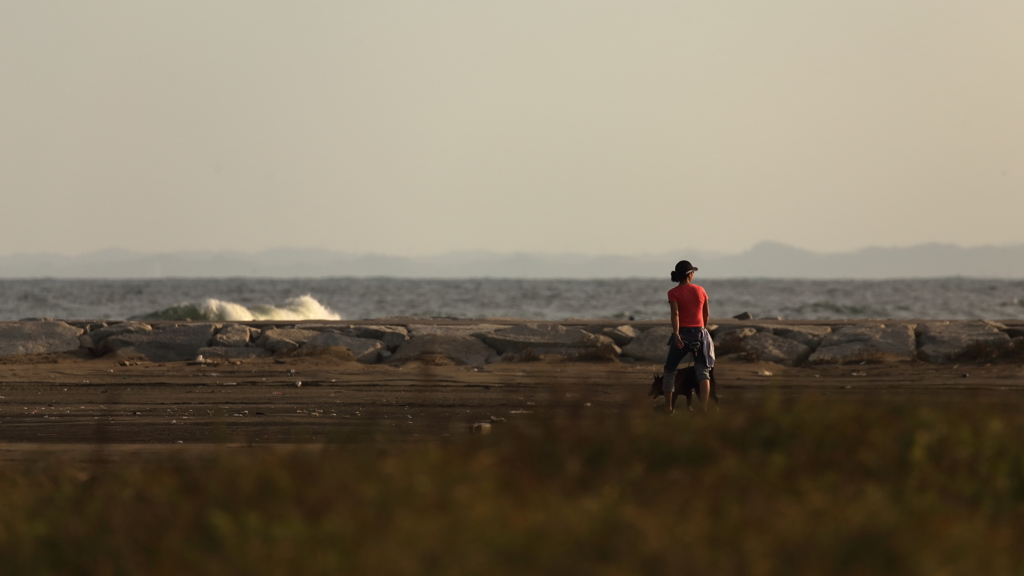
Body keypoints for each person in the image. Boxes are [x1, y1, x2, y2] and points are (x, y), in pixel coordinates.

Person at [662, 260, 714, 413]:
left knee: (670, 370)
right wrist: (702, 329)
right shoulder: (701, 290)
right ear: (690, 274)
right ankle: (703, 408)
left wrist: (676, 334)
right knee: (703, 372)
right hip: (698, 334)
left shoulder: (673, 292)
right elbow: (706, 315)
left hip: (682, 335)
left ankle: (668, 408)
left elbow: (675, 314)